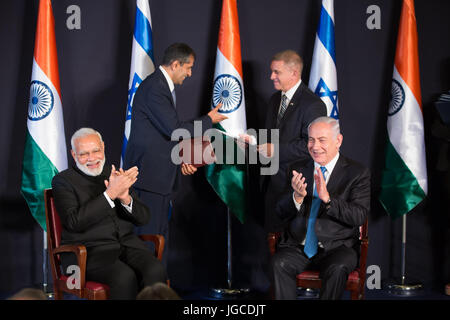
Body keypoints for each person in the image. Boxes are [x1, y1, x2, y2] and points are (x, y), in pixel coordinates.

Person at [124, 43, 227, 264]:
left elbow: (164, 134)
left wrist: (181, 160)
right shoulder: (155, 88)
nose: (190, 73)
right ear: (175, 64)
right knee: (149, 242)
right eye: (188, 68)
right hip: (150, 180)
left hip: (157, 178)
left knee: (158, 241)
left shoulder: (159, 86)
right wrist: (209, 120)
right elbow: (175, 130)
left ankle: (158, 291)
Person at [52, 128, 167, 300]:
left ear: (103, 148)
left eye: (96, 151)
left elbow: (144, 218)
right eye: (84, 154)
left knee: (155, 269)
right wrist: (110, 195)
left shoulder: (114, 174)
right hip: (88, 253)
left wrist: (125, 197)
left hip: (128, 246)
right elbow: (74, 221)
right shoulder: (62, 181)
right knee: (124, 277)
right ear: (73, 155)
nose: (91, 159)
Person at [270, 117, 370, 300]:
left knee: (338, 268)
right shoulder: (297, 168)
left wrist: (328, 199)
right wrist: (296, 197)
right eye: (311, 140)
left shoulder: (357, 173)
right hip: (298, 246)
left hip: (338, 247)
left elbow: (358, 215)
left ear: (338, 140)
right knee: (279, 263)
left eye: (322, 140)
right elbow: (279, 212)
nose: (315, 146)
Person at [241, 50, 326, 232]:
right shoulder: (274, 100)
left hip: (295, 188)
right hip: (270, 186)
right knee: (270, 244)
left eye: (276, 72)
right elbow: (272, 137)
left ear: (294, 73)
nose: (271, 77)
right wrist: (253, 141)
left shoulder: (313, 105)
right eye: (272, 72)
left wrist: (275, 151)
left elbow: (312, 147)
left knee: (290, 250)